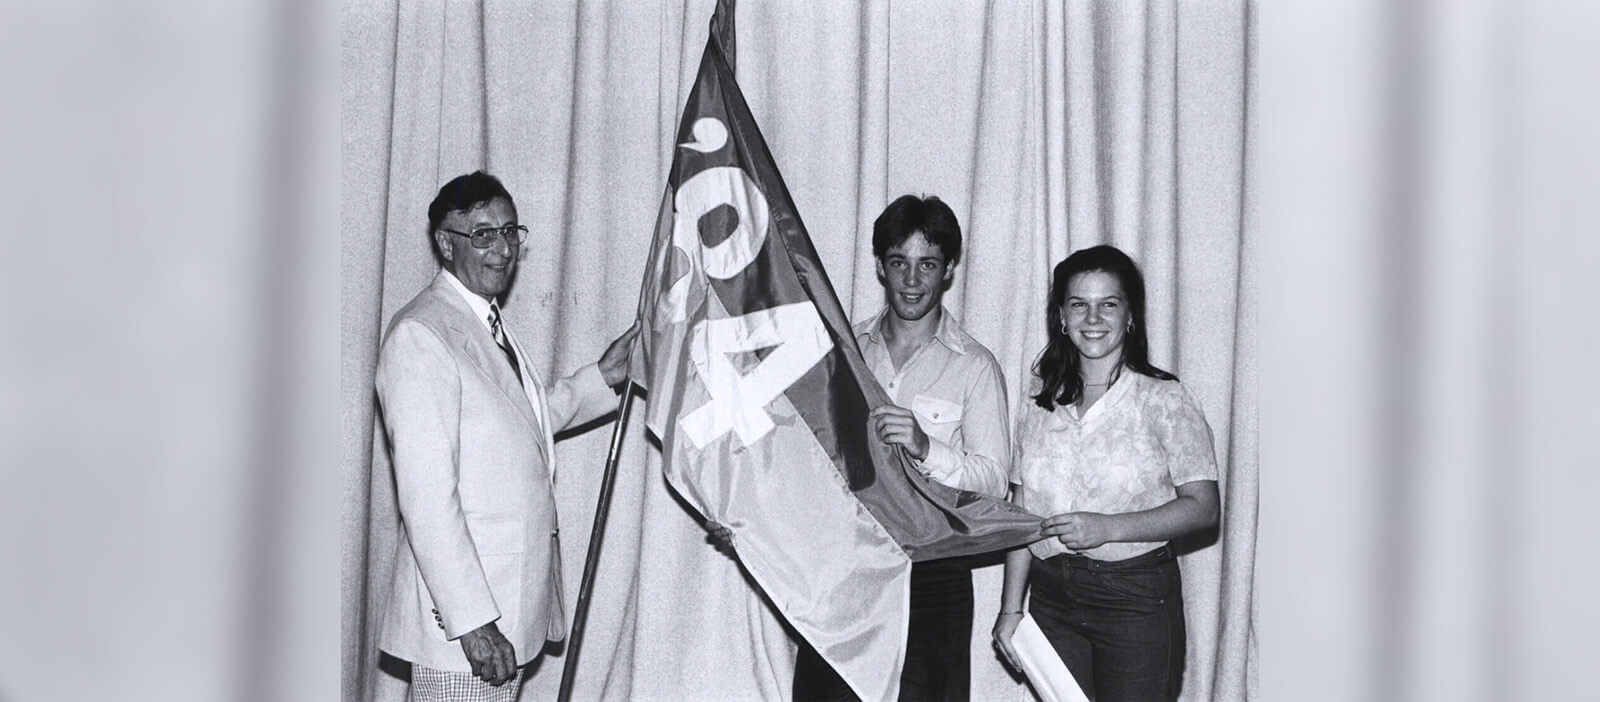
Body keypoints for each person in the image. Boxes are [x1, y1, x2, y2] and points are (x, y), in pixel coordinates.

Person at [374, 171, 638, 701]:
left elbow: (518, 423)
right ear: (446, 243)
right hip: (466, 630)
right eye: (483, 234)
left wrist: (602, 378)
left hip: (507, 612)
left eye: (510, 231)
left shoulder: (482, 323)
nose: (502, 249)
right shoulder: (421, 336)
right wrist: (472, 622)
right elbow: (427, 501)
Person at [791, 194, 1011, 701]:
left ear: (949, 270)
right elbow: (806, 457)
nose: (912, 280)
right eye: (899, 263)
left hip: (932, 575)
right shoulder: (842, 353)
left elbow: (996, 481)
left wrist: (925, 446)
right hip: (843, 570)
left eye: (927, 264)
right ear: (880, 267)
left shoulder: (975, 366)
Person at [991, 245, 1219, 701]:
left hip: (1135, 598)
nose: (1092, 317)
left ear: (1130, 315)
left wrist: (1108, 528)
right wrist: (1011, 608)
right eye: (1079, 304)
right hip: (1052, 597)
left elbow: (1203, 508)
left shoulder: (1164, 399)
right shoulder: (1039, 401)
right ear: (1061, 315)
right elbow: (1020, 510)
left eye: (1107, 304)